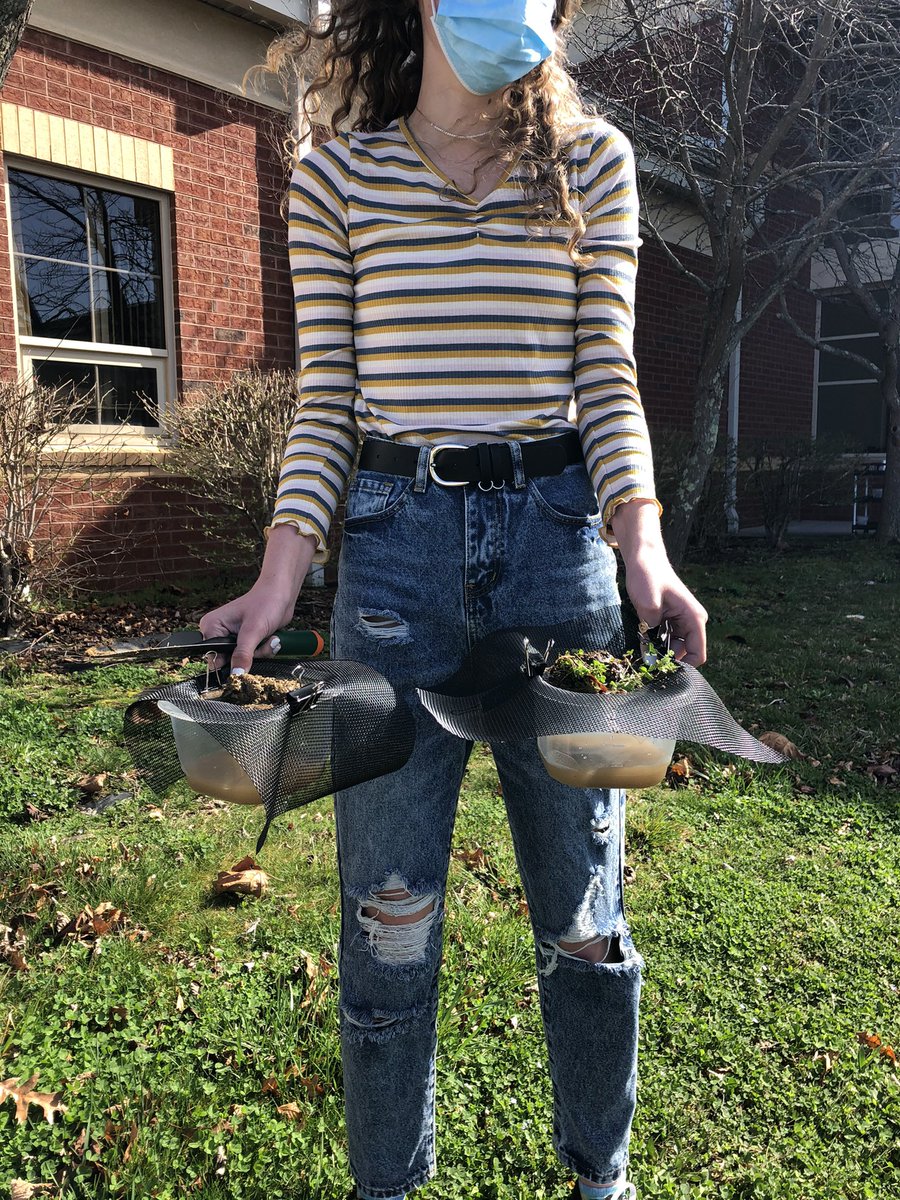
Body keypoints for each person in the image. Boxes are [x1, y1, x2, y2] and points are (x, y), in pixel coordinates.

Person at [200, 2, 708, 1197]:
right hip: (395, 568)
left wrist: (644, 548)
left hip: (560, 563)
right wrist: (281, 571)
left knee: (586, 920)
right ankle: (388, 1186)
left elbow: (608, 377)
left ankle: (602, 1178)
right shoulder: (336, 177)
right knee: (389, 920)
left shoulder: (593, 163)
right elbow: (329, 398)